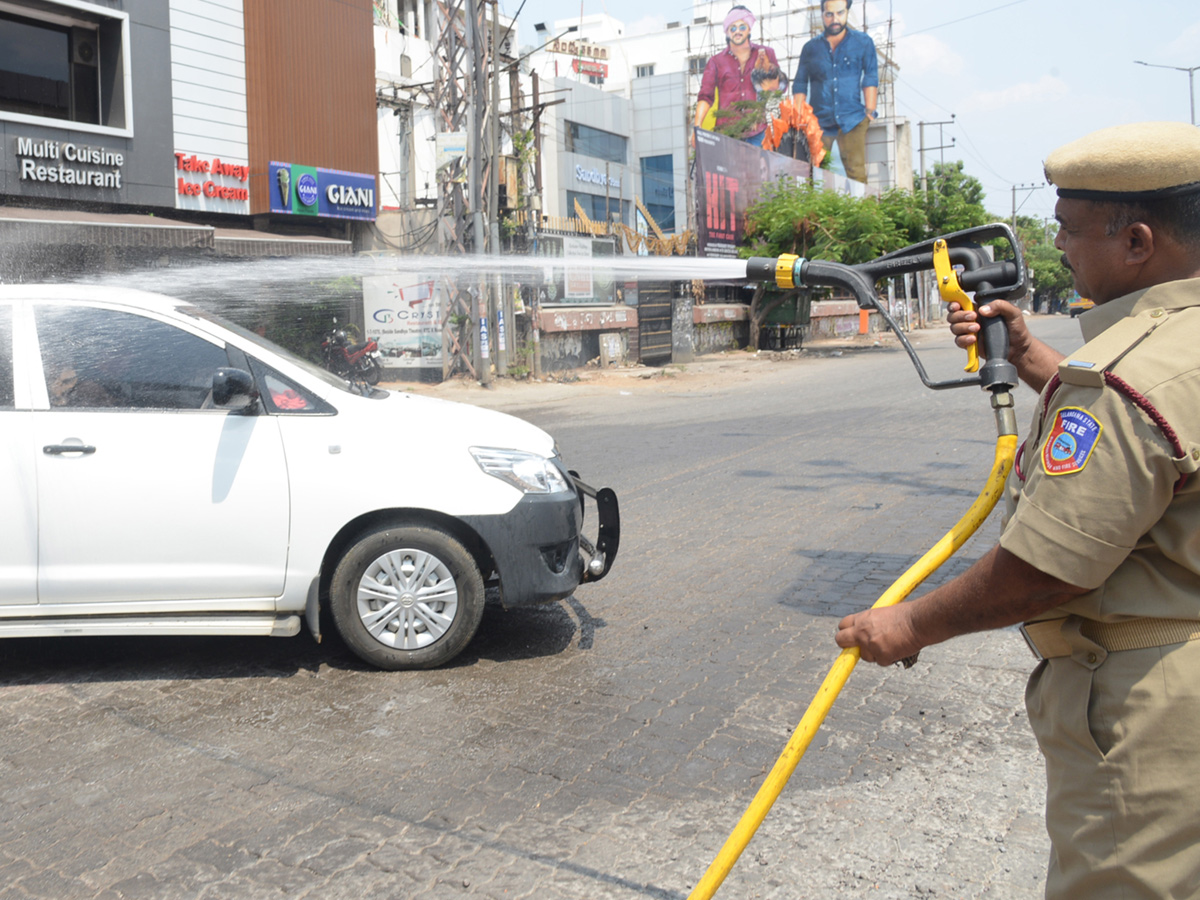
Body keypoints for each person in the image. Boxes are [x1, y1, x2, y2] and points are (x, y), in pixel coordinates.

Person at [835, 120, 1200, 898]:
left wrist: (908, 623)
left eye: (1069, 231)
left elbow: (1049, 570)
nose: (1059, 247)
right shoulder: (1173, 351)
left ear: (1137, 241)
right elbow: (1156, 446)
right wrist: (1033, 357)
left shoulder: (1123, 382)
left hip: (1157, 716)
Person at [791, 0, 878, 183]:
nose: (835, 19)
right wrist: (799, 118)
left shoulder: (863, 43)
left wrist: (869, 111)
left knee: (856, 173)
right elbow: (800, 83)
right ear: (822, 14)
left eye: (840, 13)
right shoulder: (810, 48)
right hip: (819, 122)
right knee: (815, 173)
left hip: (852, 120)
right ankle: (815, 212)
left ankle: (864, 211)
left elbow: (870, 76)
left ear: (847, 12)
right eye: (829, 14)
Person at [693, 6, 778, 147]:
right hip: (727, 136)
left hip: (757, 134)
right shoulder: (716, 62)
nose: (737, 31)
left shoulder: (765, 54)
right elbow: (705, 96)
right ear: (727, 32)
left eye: (742, 27)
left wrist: (768, 71)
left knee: (758, 169)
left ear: (749, 29)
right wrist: (697, 127)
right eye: (732, 28)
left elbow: (780, 87)